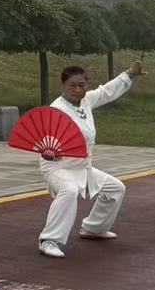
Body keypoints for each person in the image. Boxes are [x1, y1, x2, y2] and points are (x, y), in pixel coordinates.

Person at [35, 61, 144, 257]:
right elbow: (45, 142)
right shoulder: (56, 109)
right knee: (69, 190)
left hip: (83, 167)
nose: (77, 90)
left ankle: (94, 228)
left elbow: (106, 91)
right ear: (63, 86)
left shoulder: (86, 101)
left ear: (87, 84)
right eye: (72, 86)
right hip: (59, 167)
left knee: (115, 188)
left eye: (81, 85)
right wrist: (48, 153)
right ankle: (49, 239)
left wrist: (130, 73)